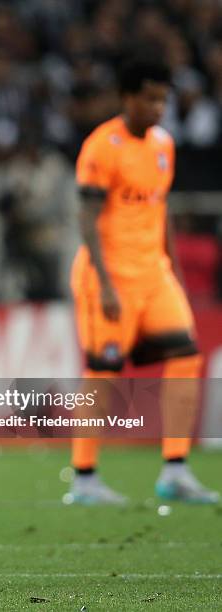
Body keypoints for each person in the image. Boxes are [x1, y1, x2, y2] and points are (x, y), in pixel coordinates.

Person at [69, 58, 219, 505]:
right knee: (104, 373)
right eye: (151, 98)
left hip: (154, 275)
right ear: (127, 97)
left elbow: (160, 208)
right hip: (109, 277)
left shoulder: (163, 145)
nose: (158, 108)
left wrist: (171, 267)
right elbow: (87, 219)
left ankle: (175, 468)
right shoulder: (102, 147)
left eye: (163, 99)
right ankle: (84, 478)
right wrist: (107, 282)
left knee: (186, 357)